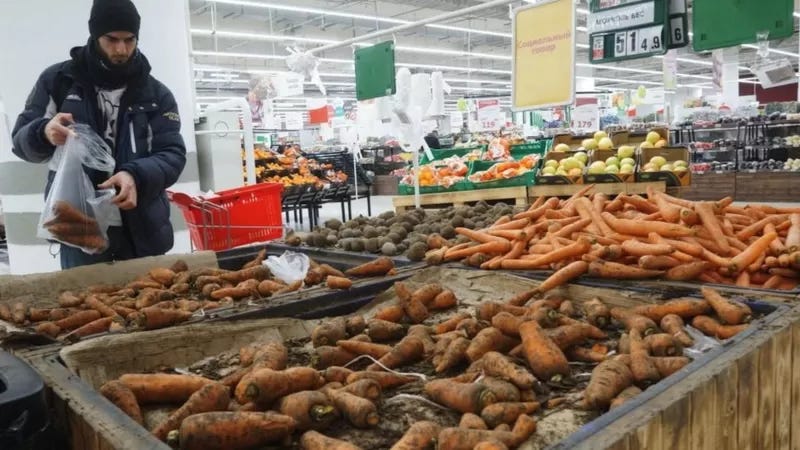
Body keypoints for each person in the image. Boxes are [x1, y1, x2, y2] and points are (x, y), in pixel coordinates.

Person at [11, 0, 187, 269]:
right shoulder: (58, 81)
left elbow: (172, 155)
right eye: (112, 39)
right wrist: (43, 132)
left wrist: (134, 175)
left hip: (141, 228)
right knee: (86, 301)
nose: (121, 49)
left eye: (129, 40)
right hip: (78, 224)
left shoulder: (156, 95)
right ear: (95, 35)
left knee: (148, 300)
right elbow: (21, 141)